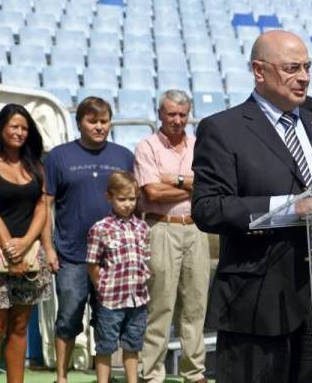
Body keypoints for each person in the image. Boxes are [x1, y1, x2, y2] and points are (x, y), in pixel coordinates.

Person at [191, 30, 312, 383]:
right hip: (257, 302)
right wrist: (291, 208)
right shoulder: (223, 129)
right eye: (292, 68)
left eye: (307, 66)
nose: (304, 77)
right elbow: (208, 208)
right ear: (259, 71)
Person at [42, 96, 135, 383]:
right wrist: (48, 248)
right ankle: (61, 376)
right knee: (69, 316)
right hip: (72, 254)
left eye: (104, 121)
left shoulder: (123, 156)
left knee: (108, 318)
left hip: (112, 258)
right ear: (79, 122)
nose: (98, 127)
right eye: (92, 121)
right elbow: (46, 204)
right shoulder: (58, 156)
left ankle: (102, 376)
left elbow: (133, 202)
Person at [134, 90, 210, 383]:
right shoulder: (147, 146)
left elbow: (210, 185)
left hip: (196, 227)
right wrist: (192, 184)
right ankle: (151, 373)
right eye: (171, 114)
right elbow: (152, 192)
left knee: (196, 303)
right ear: (160, 114)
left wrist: (173, 180)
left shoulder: (199, 145)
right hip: (161, 227)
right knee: (160, 304)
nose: (177, 120)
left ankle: (194, 372)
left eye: (182, 114)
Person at [0, 104, 52, 383]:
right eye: (14, 127)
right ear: (1, 129)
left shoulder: (36, 165)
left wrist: (26, 243)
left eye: (24, 128)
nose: (19, 132)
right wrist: (12, 251)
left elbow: (42, 208)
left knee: (20, 327)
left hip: (30, 254)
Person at [86, 171, 150, 383]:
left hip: (137, 298)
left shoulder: (142, 227)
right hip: (111, 299)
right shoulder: (100, 228)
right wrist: (102, 288)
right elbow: (92, 263)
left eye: (132, 199)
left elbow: (144, 260)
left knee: (133, 343)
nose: (127, 204)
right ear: (109, 197)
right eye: (121, 199)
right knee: (106, 344)